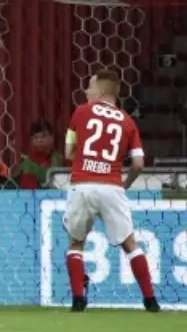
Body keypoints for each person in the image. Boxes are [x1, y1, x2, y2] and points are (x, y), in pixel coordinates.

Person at [63, 70, 159, 313]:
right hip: (112, 186)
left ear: (101, 90)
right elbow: (138, 164)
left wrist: (87, 158)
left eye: (89, 86)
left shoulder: (80, 112)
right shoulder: (127, 121)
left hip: (83, 183)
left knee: (76, 242)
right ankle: (150, 300)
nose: (86, 91)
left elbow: (68, 151)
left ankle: (78, 300)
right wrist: (125, 184)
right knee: (130, 244)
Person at [15, 120, 63, 189]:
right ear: (32, 140)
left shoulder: (59, 158)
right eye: (36, 137)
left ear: (52, 138)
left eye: (43, 137)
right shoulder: (28, 163)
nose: (39, 140)